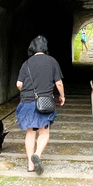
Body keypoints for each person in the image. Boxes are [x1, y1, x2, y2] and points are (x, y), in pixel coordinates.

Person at [15, 35, 65, 174]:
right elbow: (59, 82)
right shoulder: (52, 61)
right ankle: (37, 154)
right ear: (45, 48)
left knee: (30, 132)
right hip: (44, 102)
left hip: (27, 102)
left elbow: (19, 84)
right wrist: (62, 96)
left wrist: (26, 91)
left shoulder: (27, 63)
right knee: (44, 133)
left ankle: (30, 165)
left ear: (32, 47)